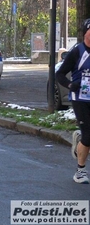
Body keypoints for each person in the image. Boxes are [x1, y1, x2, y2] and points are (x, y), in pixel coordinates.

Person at [56, 18, 90, 184]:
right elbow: (60, 74)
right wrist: (70, 85)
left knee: (88, 135)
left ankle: (80, 139)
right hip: (80, 98)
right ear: (85, 33)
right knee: (89, 135)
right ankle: (80, 172)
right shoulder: (78, 51)